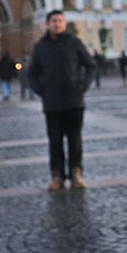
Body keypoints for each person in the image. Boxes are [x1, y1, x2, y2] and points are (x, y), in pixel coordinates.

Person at [28, 10, 98, 191]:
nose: (57, 24)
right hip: (52, 103)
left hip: (74, 101)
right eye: (53, 21)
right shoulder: (41, 47)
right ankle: (57, 177)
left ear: (64, 23)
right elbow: (31, 74)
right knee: (55, 141)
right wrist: (41, 90)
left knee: (75, 140)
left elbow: (90, 65)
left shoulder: (74, 43)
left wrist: (83, 86)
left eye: (60, 21)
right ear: (47, 24)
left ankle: (76, 174)